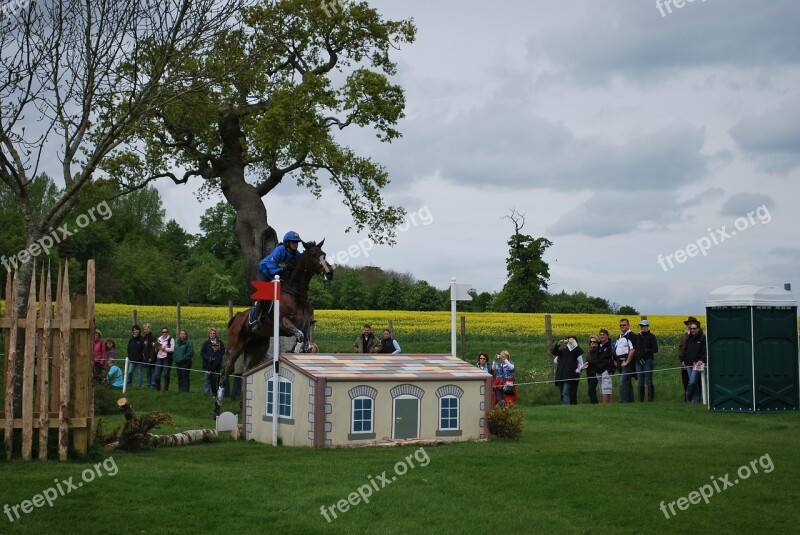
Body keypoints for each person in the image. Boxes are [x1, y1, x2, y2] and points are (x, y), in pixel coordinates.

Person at [249, 230, 303, 330]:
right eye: (294, 242)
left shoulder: (296, 253)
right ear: (287, 243)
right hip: (265, 272)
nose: (296, 245)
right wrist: (282, 269)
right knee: (263, 295)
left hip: (278, 274)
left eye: (297, 242)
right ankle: (255, 320)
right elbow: (270, 268)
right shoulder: (279, 250)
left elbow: (303, 260)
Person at [552, 337, 584, 405]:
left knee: (565, 393)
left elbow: (581, 351)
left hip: (568, 376)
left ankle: (567, 407)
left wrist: (574, 344)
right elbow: (554, 352)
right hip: (560, 375)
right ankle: (565, 406)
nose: (569, 341)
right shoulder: (563, 351)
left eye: (571, 340)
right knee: (562, 394)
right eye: (568, 340)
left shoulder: (576, 351)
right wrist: (558, 344)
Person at [681, 320, 707, 404]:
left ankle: (688, 395)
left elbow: (705, 351)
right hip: (688, 363)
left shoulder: (703, 338)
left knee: (692, 381)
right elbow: (685, 350)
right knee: (694, 382)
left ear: (699, 329)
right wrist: (683, 360)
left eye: (694, 328)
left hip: (697, 363)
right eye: (691, 329)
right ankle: (695, 400)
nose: (692, 330)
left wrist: (702, 360)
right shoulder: (689, 338)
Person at [636, 320, 659, 402]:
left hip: (648, 360)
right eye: (641, 326)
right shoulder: (637, 336)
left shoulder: (652, 336)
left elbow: (655, 349)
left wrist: (646, 350)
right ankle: (641, 400)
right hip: (638, 361)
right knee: (640, 381)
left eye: (643, 326)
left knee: (648, 380)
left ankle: (650, 399)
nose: (642, 327)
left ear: (647, 327)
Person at [615, 318, 637, 403]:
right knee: (627, 382)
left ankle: (623, 401)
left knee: (623, 381)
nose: (622, 326)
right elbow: (616, 348)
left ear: (628, 325)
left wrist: (627, 361)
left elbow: (632, 349)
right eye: (620, 325)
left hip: (627, 362)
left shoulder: (631, 335)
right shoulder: (619, 336)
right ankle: (631, 401)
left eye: (624, 325)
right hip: (620, 362)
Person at [149, 326, 175, 391]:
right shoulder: (159, 338)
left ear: (168, 332)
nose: (165, 333)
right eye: (163, 332)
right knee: (156, 374)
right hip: (159, 358)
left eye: (166, 332)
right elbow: (156, 349)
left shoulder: (171, 339)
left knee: (166, 374)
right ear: (162, 332)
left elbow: (172, 349)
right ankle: (158, 390)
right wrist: (155, 347)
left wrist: (163, 349)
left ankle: (166, 389)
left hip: (166, 358)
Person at [678, 317, 697, 399]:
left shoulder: (698, 335)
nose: (689, 325)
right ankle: (687, 398)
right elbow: (680, 348)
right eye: (688, 324)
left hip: (695, 362)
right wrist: (682, 359)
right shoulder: (684, 335)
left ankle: (695, 398)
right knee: (685, 380)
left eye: (691, 324)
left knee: (694, 381)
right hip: (684, 362)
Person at [596, 329, 615, 404]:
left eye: (603, 335)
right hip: (598, 370)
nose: (602, 336)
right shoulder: (599, 345)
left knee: (606, 389)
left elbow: (614, 357)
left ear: (607, 336)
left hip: (606, 370)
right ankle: (606, 405)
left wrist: (610, 369)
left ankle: (606, 405)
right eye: (600, 335)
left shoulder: (611, 345)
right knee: (601, 389)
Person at [173, 329, 194, 394]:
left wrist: (183, 358)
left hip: (185, 362)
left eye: (184, 334)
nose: (182, 335)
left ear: (186, 335)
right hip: (178, 363)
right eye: (181, 334)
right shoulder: (177, 342)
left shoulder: (189, 342)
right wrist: (175, 358)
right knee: (179, 376)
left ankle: (185, 391)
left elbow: (190, 352)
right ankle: (180, 391)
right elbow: (175, 351)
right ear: (179, 335)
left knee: (185, 376)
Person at [126, 325, 146, 389]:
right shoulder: (131, 339)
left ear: (139, 331)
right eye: (134, 330)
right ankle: (129, 384)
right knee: (129, 372)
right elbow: (128, 348)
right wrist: (129, 356)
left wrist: (142, 356)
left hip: (140, 359)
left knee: (140, 373)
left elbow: (144, 348)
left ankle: (138, 386)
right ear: (133, 331)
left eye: (137, 330)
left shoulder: (142, 339)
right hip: (132, 359)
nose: (135, 331)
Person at [585, 336, 600, 404]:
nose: (592, 343)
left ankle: (595, 404)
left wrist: (588, 363)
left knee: (591, 390)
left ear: (597, 343)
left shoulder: (598, 351)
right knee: (592, 391)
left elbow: (596, 361)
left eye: (594, 342)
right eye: (591, 342)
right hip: (589, 373)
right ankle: (594, 404)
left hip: (595, 373)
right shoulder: (589, 351)